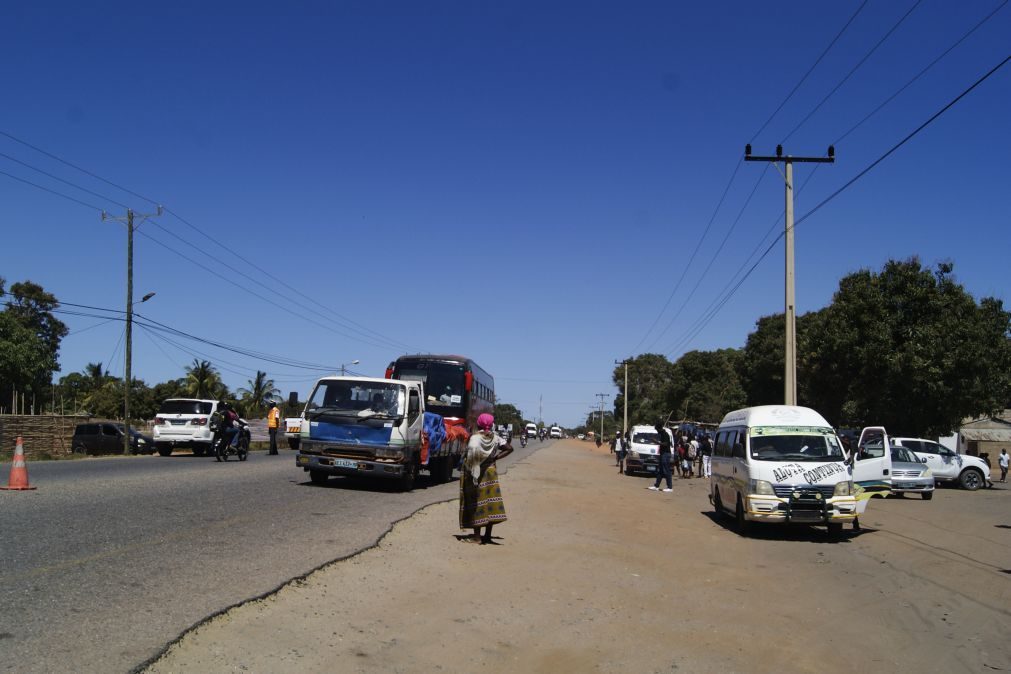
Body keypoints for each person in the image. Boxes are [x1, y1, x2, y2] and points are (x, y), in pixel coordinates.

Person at [460, 413, 513, 544]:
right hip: (491, 473)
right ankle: (487, 536)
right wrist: (495, 457)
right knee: (489, 503)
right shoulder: (495, 438)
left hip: (477, 473)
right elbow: (509, 448)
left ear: (478, 424)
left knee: (476, 502)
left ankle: (477, 537)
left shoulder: (475, 438)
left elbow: (472, 455)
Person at [649, 422, 673, 492]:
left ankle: (670, 487)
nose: (656, 431)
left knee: (666, 470)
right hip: (663, 454)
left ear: (659, 428)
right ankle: (656, 486)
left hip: (666, 454)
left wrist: (656, 442)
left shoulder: (665, 434)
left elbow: (665, 444)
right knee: (661, 471)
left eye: (656, 429)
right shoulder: (661, 434)